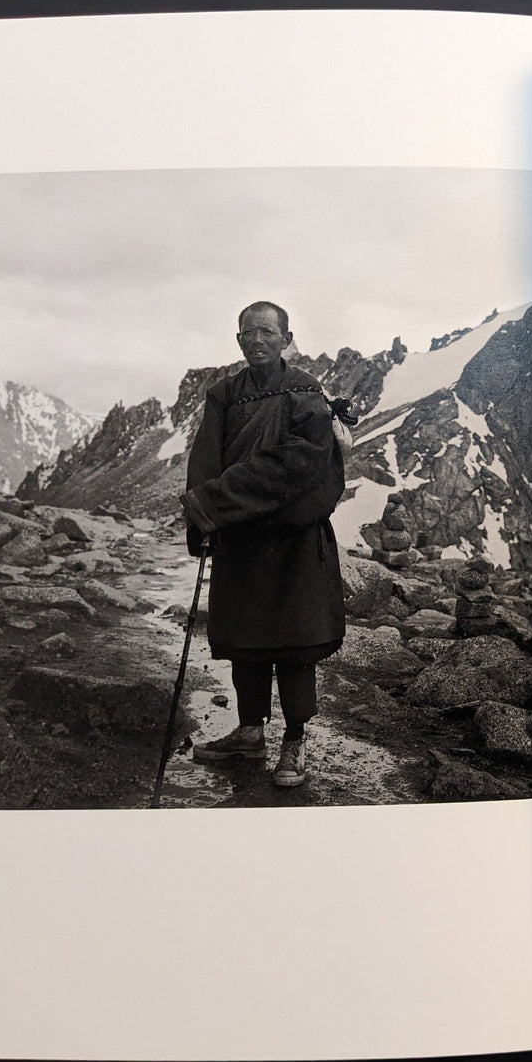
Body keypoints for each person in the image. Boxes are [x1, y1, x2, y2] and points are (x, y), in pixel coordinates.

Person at [180, 301, 346, 787]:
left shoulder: (306, 392)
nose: (257, 340)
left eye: (267, 332)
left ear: (286, 338)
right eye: (248, 332)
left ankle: (293, 743)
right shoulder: (224, 395)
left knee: (295, 643)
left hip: (293, 538)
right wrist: (203, 516)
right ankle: (250, 733)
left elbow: (304, 462)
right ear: (237, 340)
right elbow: (205, 459)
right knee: (245, 641)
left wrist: (215, 501)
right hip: (242, 539)